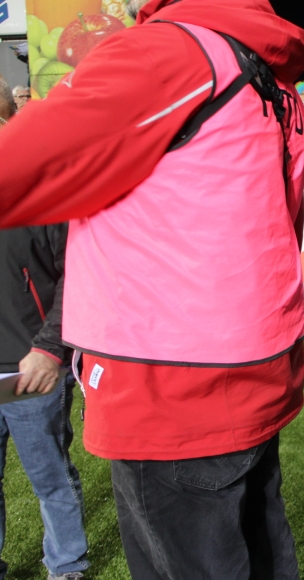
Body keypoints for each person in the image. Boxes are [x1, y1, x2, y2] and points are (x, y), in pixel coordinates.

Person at [0, 0, 304, 578]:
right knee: (258, 549)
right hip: (249, 364)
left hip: (171, 382)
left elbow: (17, 167)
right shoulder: (268, 73)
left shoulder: (168, 51)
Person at [0, 74, 88, 580]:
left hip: (28, 368)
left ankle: (67, 566)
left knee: (50, 478)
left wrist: (51, 349)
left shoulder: (41, 184)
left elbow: (76, 275)